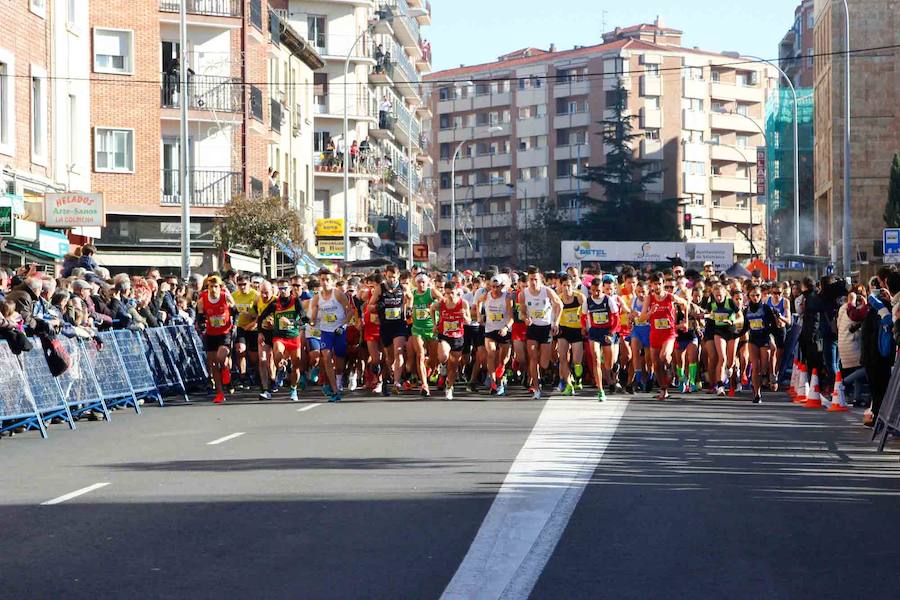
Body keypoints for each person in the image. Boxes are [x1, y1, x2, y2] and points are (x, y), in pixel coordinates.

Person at [640, 273, 690, 401]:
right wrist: (651, 312)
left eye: (660, 284)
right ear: (651, 285)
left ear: (663, 284)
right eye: (655, 284)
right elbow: (642, 318)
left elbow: (685, 303)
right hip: (655, 334)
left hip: (669, 333)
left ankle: (670, 368)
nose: (657, 286)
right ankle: (664, 389)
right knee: (656, 364)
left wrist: (685, 321)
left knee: (664, 356)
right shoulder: (649, 299)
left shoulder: (670, 297)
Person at [256, 278, 306, 402]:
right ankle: (281, 368)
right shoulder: (274, 304)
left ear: (289, 289)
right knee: (277, 354)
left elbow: (304, 318)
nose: (282, 291)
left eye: (285, 288)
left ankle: (293, 389)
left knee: (296, 366)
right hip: (279, 337)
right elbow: (260, 317)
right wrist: (260, 332)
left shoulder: (296, 301)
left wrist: (292, 322)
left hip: (293, 337)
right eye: (280, 289)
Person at [309, 270, 354, 403]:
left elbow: (350, 311)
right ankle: (335, 390)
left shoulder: (338, 294)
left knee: (339, 364)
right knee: (327, 357)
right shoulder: (317, 298)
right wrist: (311, 322)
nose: (325, 282)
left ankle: (339, 380)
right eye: (322, 279)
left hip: (339, 331)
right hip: (326, 332)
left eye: (328, 279)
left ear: (333, 281)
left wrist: (343, 326)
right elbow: (313, 318)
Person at [519, 267, 563, 400]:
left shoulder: (547, 291)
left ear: (541, 279)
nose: (533, 282)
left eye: (536, 279)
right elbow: (522, 311)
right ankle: (536, 388)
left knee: (544, 362)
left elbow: (559, 304)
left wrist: (556, 322)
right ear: (528, 280)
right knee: (532, 358)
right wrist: (525, 318)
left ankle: (549, 371)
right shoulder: (523, 294)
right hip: (532, 328)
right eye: (531, 279)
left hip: (546, 328)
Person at [368, 265, 407, 396]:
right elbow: (369, 307)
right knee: (389, 358)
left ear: (398, 276)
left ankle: (396, 383)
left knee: (399, 352)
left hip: (399, 324)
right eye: (389, 277)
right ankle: (385, 380)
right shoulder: (381, 288)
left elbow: (411, 298)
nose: (392, 280)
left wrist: (408, 310)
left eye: (394, 277)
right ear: (386, 275)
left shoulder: (403, 288)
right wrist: (379, 306)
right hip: (386, 326)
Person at [196, 275, 236, 405]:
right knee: (213, 364)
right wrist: (202, 326)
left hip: (224, 333)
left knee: (221, 357)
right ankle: (220, 393)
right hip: (211, 333)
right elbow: (200, 315)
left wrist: (233, 324)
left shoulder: (225, 296)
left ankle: (225, 369)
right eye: (210, 286)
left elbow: (235, 310)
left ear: (220, 287)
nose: (213, 289)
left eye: (216, 286)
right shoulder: (203, 298)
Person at [432, 281, 470, 400]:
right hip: (444, 335)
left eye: (452, 293)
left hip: (458, 337)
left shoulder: (463, 303)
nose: (450, 296)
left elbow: (468, 321)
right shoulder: (441, 303)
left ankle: (449, 387)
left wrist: (463, 316)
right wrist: (435, 324)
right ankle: (442, 366)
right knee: (443, 356)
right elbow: (432, 309)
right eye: (447, 293)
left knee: (453, 366)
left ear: (457, 292)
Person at [742, 285, 779, 404]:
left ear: (761, 296)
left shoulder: (766, 308)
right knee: (755, 368)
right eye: (752, 295)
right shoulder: (746, 310)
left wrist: (772, 338)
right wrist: (735, 334)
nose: (755, 298)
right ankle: (757, 394)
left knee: (764, 366)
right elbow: (744, 328)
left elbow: (773, 326)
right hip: (753, 339)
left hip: (764, 338)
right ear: (748, 297)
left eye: (757, 295)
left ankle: (768, 375)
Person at [480, 274, 513, 396]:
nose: (494, 289)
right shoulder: (486, 296)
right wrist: (479, 316)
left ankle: (501, 374)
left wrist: (506, 328)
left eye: (496, 287)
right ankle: (494, 383)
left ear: (501, 287)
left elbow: (511, 317)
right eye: (492, 287)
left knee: (503, 360)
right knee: (491, 353)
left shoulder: (507, 298)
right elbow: (478, 302)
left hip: (504, 330)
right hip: (490, 329)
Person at [408, 273, 441, 397]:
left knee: (433, 359)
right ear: (415, 283)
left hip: (432, 329)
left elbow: (444, 302)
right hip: (417, 329)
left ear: (427, 283)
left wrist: (435, 306)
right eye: (419, 282)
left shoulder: (431, 292)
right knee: (420, 355)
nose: (421, 285)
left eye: (423, 282)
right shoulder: (413, 294)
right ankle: (425, 385)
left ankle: (429, 366)